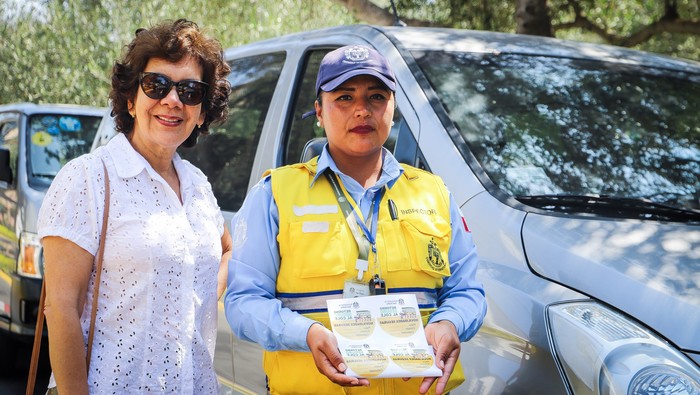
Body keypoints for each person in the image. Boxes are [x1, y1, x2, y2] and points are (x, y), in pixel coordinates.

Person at [225, 44, 486, 395]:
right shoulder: (275, 195)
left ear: (393, 108)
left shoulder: (434, 192)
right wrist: (305, 333)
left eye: (376, 96)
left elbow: (468, 291)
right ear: (319, 111)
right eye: (344, 98)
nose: (362, 110)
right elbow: (243, 303)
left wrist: (450, 322)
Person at [37, 19, 232, 394]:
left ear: (203, 112)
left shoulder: (198, 186)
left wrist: (192, 292)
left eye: (190, 91)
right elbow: (61, 308)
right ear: (131, 99)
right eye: (156, 85)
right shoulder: (88, 179)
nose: (173, 100)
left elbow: (226, 253)